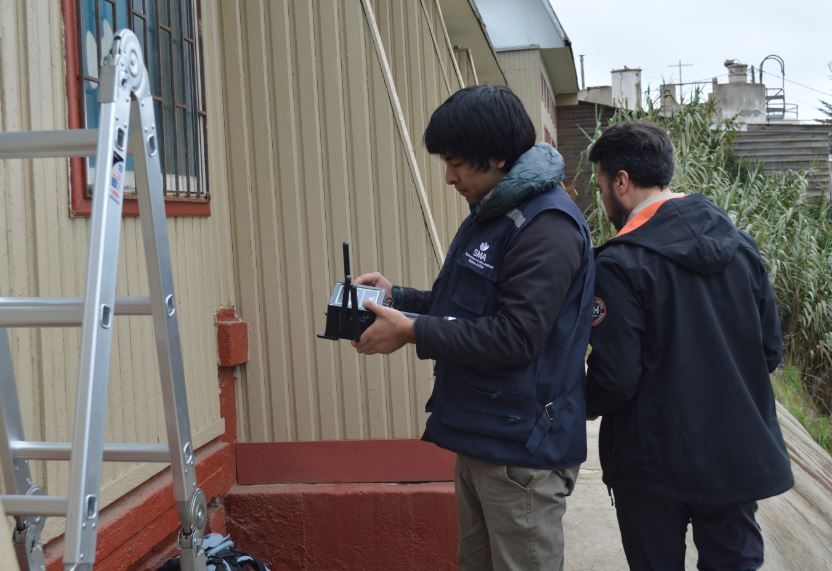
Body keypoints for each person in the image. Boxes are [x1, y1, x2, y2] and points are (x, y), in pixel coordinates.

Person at [351, 85, 595, 570]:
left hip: (522, 453)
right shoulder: (493, 214)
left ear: (499, 157)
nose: (448, 177)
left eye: (458, 162)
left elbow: (516, 337)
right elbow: (462, 309)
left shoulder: (546, 227)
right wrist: (396, 298)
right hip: (483, 438)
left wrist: (411, 331)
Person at [585, 121, 794, 571]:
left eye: (602, 186)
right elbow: (770, 351)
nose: (603, 200)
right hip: (733, 456)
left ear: (621, 182)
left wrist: (576, 403)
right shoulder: (740, 248)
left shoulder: (620, 264)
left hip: (651, 464)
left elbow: (615, 376)